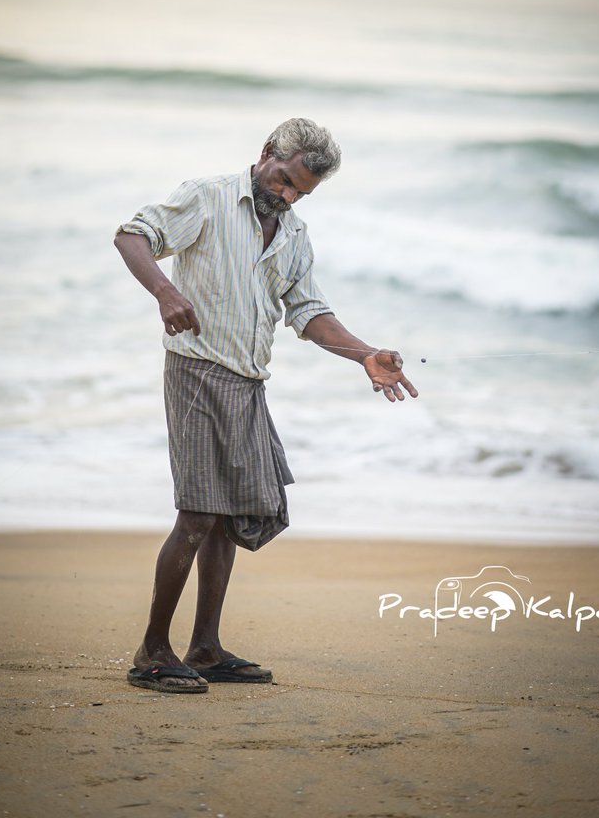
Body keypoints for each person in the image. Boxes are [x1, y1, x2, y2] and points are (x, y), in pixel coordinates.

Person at [114, 117, 417, 694]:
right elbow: (132, 236)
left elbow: (308, 312)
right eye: (285, 180)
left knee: (229, 516)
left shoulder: (294, 233)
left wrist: (365, 354)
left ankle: (204, 647)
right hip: (197, 370)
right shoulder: (206, 197)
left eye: (301, 191)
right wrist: (165, 290)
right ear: (267, 153)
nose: (287, 195)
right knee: (200, 513)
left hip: (248, 381)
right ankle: (152, 651)